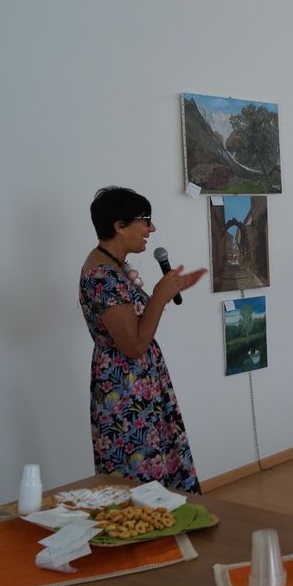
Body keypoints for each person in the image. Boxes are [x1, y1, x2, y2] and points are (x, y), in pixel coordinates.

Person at [79, 187, 207, 493]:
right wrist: (160, 296)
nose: (152, 228)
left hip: (141, 384)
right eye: (145, 220)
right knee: (138, 481)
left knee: (159, 469)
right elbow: (134, 345)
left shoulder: (115, 266)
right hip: (125, 392)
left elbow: (136, 322)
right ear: (120, 226)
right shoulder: (102, 276)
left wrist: (167, 292)